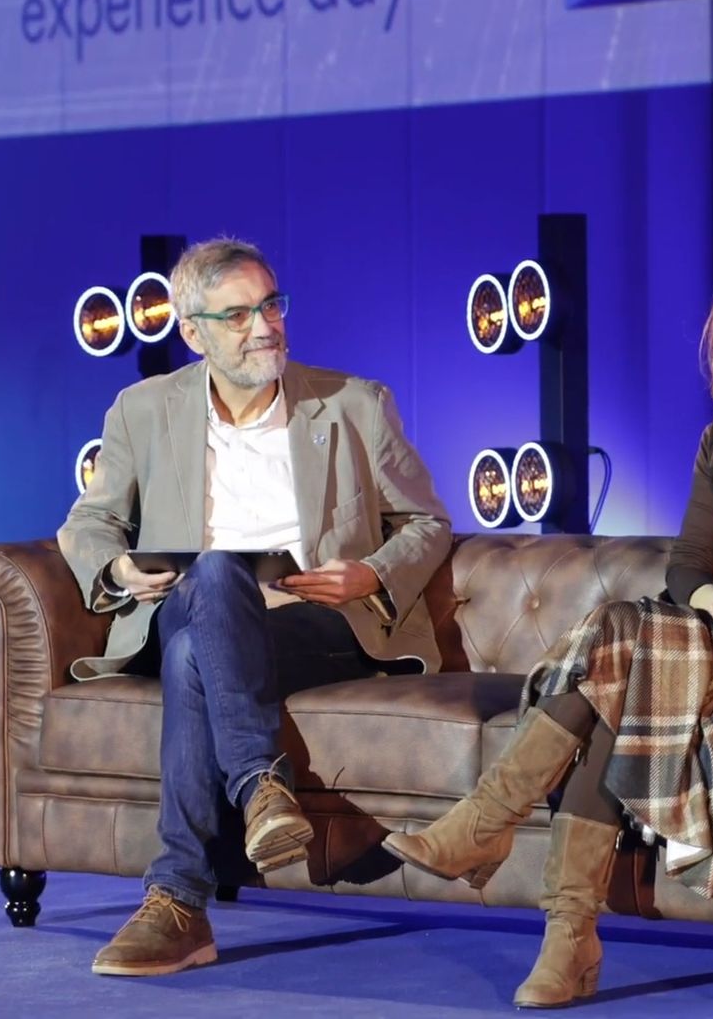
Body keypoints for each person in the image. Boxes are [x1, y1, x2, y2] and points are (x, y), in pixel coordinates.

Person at [383, 236, 713, 1009]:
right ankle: (567, 934)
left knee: (618, 650)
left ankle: (496, 836)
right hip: (711, 633)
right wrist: (712, 600)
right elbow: (689, 564)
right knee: (624, 659)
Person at [57, 238, 452, 978]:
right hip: (189, 602)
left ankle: (178, 900)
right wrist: (116, 566)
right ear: (193, 331)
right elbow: (88, 524)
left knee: (189, 658)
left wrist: (370, 573)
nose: (264, 325)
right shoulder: (142, 410)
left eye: (272, 304)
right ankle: (258, 788)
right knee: (207, 581)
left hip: (312, 620)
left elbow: (427, 520)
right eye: (236, 315)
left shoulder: (353, 404)